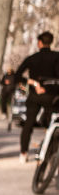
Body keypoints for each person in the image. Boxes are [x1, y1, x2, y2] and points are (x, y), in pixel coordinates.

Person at [15, 31, 59, 162]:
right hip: (52, 96)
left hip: (34, 95)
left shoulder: (32, 58)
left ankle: (23, 153)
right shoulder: (57, 57)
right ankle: (49, 152)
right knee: (51, 123)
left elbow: (17, 76)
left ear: (39, 43)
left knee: (28, 124)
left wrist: (32, 83)